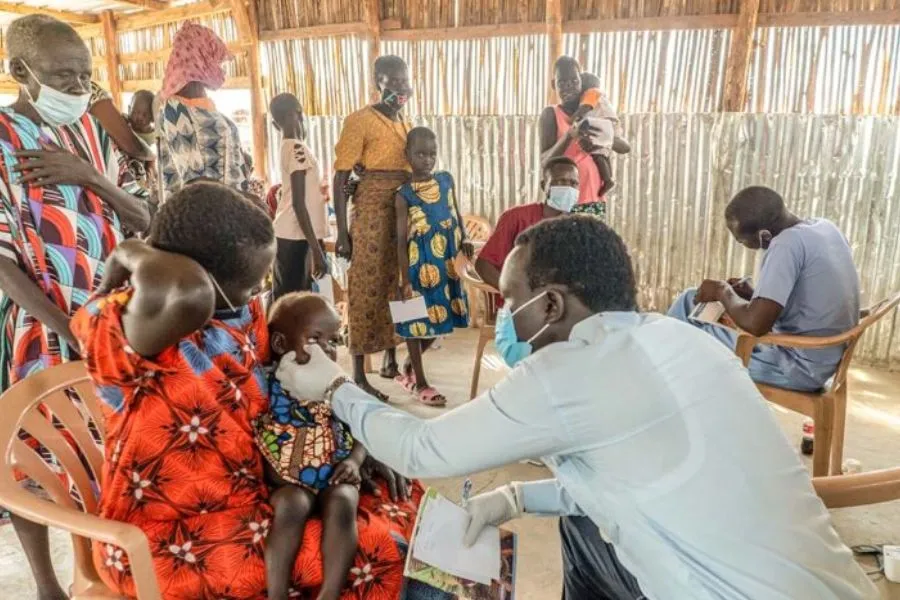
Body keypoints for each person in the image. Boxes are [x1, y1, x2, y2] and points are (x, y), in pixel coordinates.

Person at [275, 215, 878, 600]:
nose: (505, 316)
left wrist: (333, 388)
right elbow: (633, 473)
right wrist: (514, 497)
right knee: (584, 523)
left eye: (511, 301)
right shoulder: (682, 337)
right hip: (828, 586)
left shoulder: (571, 373)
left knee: (429, 581)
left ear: (552, 306)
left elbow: (422, 449)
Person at [71, 181, 423, 599]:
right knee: (386, 547)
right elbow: (189, 291)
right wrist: (128, 249)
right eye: (249, 284)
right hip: (168, 539)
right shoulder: (120, 323)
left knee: (409, 503)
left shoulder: (240, 315)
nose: (256, 294)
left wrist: (354, 450)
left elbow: (292, 392)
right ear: (201, 274)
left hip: (257, 498)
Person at [0, 15, 151, 600]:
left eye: (86, 75)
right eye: (65, 75)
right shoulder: (4, 140)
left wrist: (92, 178)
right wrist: (68, 327)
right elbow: (3, 261)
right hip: (40, 327)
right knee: (33, 459)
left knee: (103, 451)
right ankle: (47, 588)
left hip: (111, 323)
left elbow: (143, 221)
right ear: (20, 72)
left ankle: (94, 570)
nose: (80, 87)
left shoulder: (89, 132)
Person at [668, 185, 860, 392]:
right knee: (690, 299)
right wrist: (753, 295)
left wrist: (723, 291)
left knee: (688, 317)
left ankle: (664, 381)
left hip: (795, 367)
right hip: (823, 357)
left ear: (764, 235)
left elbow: (756, 324)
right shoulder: (824, 227)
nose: (741, 244)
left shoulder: (785, 245)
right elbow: (810, 298)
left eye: (742, 240)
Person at [259, 293, 366, 600]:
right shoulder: (266, 383)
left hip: (335, 474)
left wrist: (355, 462)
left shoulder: (338, 384)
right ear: (280, 345)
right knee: (291, 505)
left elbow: (362, 431)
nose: (328, 349)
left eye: (333, 340)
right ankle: (276, 594)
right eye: (315, 339)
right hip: (290, 482)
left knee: (345, 500)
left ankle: (329, 594)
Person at [332, 54, 413, 401]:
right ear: (377, 82)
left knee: (397, 284)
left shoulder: (404, 124)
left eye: (403, 79)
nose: (398, 85)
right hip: (369, 215)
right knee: (365, 287)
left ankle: (392, 358)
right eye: (390, 79)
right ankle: (358, 374)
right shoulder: (359, 121)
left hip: (401, 215)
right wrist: (341, 233)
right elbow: (340, 177)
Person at [393, 127, 472, 407]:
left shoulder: (445, 180)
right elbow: (401, 239)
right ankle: (421, 381)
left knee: (442, 319)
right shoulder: (403, 194)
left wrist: (465, 238)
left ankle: (410, 365)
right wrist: (404, 279)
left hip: (446, 260)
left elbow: (455, 211)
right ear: (408, 155)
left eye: (432, 154)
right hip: (419, 262)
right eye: (421, 154)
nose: (427, 160)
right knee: (415, 320)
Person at [157, 22, 250, 197]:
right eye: (214, 59)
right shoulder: (175, 111)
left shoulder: (203, 105)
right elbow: (194, 183)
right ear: (201, 58)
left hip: (227, 213)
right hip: (203, 217)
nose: (219, 68)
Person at [540, 56, 630, 219]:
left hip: (593, 196)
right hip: (562, 202)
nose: (569, 87)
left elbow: (625, 147)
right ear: (554, 85)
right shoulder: (550, 114)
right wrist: (569, 135)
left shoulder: (597, 111)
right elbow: (544, 161)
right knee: (560, 242)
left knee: (591, 242)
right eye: (562, 83)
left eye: (574, 81)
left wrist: (602, 137)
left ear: (581, 81)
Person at [474, 156, 579, 291]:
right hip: (521, 306)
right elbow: (484, 265)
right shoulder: (516, 218)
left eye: (573, 183)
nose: (568, 188)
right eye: (561, 181)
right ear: (544, 186)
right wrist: (514, 295)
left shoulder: (579, 226)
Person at [270, 92, 328, 298]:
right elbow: (298, 203)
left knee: (288, 296)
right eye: (301, 116)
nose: (303, 122)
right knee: (292, 301)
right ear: (295, 115)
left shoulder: (287, 147)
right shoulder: (296, 148)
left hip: (292, 234)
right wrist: (317, 251)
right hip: (294, 236)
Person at [569, 72, 619, 194]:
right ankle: (609, 178)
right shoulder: (601, 95)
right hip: (609, 125)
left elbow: (586, 107)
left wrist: (574, 117)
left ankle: (607, 179)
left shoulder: (591, 92)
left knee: (597, 153)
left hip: (602, 124)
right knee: (603, 153)